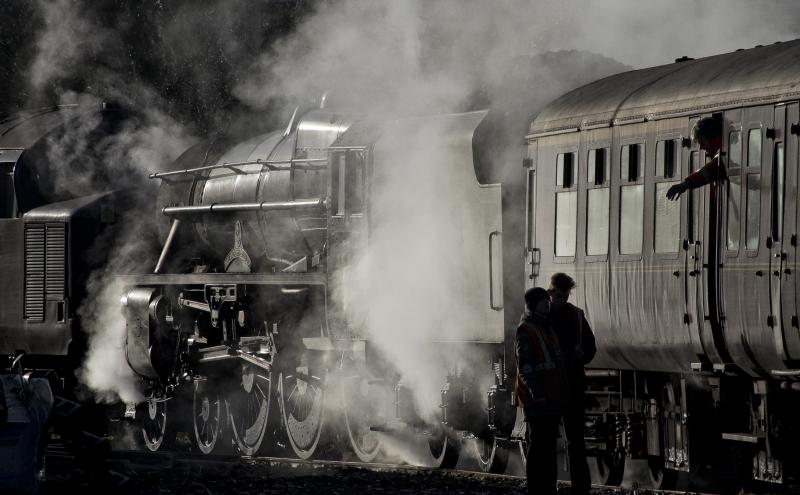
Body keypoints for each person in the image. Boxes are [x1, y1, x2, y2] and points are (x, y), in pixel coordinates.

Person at [515, 287, 569, 495]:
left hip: (551, 399)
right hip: (537, 400)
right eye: (543, 302)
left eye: (547, 302)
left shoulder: (546, 328)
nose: (547, 305)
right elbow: (526, 367)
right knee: (538, 447)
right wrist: (537, 392)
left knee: (548, 447)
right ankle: (537, 488)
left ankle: (548, 488)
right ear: (532, 305)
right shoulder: (527, 330)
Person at [548, 273, 596, 495]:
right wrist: (579, 356)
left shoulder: (544, 318)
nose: (563, 300)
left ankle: (558, 486)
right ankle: (580, 487)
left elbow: (590, 348)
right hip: (567, 384)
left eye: (565, 296)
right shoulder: (573, 316)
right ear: (551, 292)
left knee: (554, 440)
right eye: (560, 296)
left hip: (557, 386)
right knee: (574, 440)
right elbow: (590, 349)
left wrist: (580, 356)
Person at [666, 115, 724, 201]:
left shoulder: (724, 157)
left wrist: (685, 184)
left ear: (711, 138)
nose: (701, 147)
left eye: (702, 142)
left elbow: (708, 171)